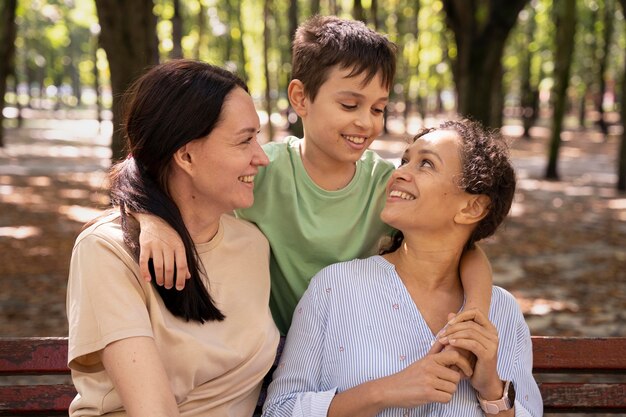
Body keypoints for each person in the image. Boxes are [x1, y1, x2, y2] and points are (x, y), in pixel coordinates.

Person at [134, 16, 493, 337]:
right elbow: (163, 179)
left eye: (378, 108)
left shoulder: (387, 184)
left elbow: (462, 248)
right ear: (301, 98)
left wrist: (476, 309)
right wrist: (152, 219)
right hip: (270, 353)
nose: (366, 122)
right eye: (349, 105)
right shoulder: (259, 170)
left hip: (354, 350)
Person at [262, 120, 543, 417]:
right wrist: (385, 391)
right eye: (405, 160)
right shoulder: (334, 288)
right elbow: (279, 410)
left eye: (426, 164)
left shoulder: (502, 312)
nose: (398, 173)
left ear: (471, 208)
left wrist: (493, 390)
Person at [66, 60, 280, 417]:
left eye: (258, 137)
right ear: (186, 155)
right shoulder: (107, 251)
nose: (262, 158)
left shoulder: (252, 245)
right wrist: (145, 215)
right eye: (245, 140)